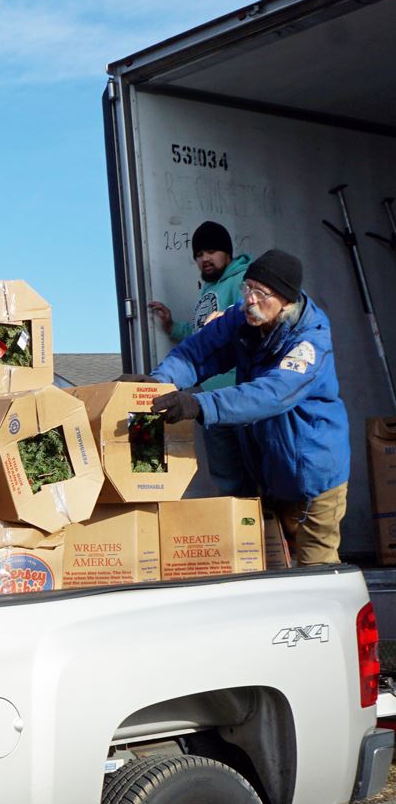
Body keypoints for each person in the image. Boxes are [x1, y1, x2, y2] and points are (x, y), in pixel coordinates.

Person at [143, 248, 351, 564]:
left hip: (314, 477)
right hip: (272, 469)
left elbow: (271, 394)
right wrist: (155, 383)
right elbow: (196, 353)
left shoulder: (310, 344)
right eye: (247, 288)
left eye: (261, 293)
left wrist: (198, 405)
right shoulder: (244, 319)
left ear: (287, 300)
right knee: (271, 566)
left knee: (316, 570)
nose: (250, 299)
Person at [147, 221, 253, 494]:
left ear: (227, 253)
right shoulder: (207, 289)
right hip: (209, 396)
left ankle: (270, 533)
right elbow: (202, 334)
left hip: (241, 393)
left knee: (256, 470)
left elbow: (246, 322)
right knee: (226, 476)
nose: (204, 258)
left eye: (211, 251)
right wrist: (173, 327)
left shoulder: (242, 280)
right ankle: (242, 531)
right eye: (198, 254)